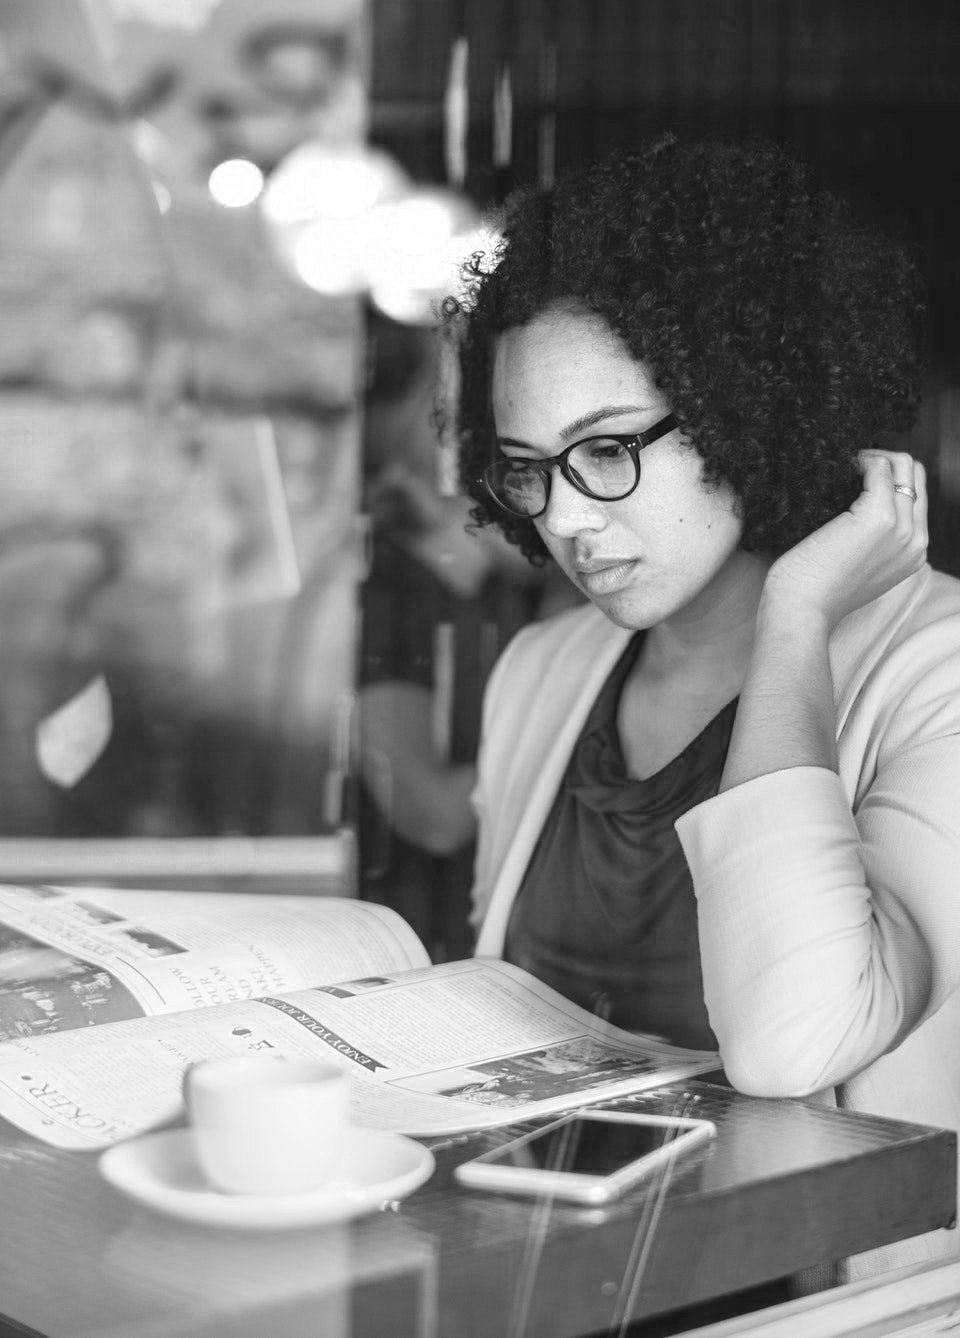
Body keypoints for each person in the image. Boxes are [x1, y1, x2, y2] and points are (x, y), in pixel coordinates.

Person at [443, 136, 960, 1281]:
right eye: (527, 466)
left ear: (747, 410)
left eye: (607, 448)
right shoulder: (542, 671)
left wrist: (796, 618)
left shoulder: (942, 673)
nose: (563, 518)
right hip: (535, 1279)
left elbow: (792, 1041)